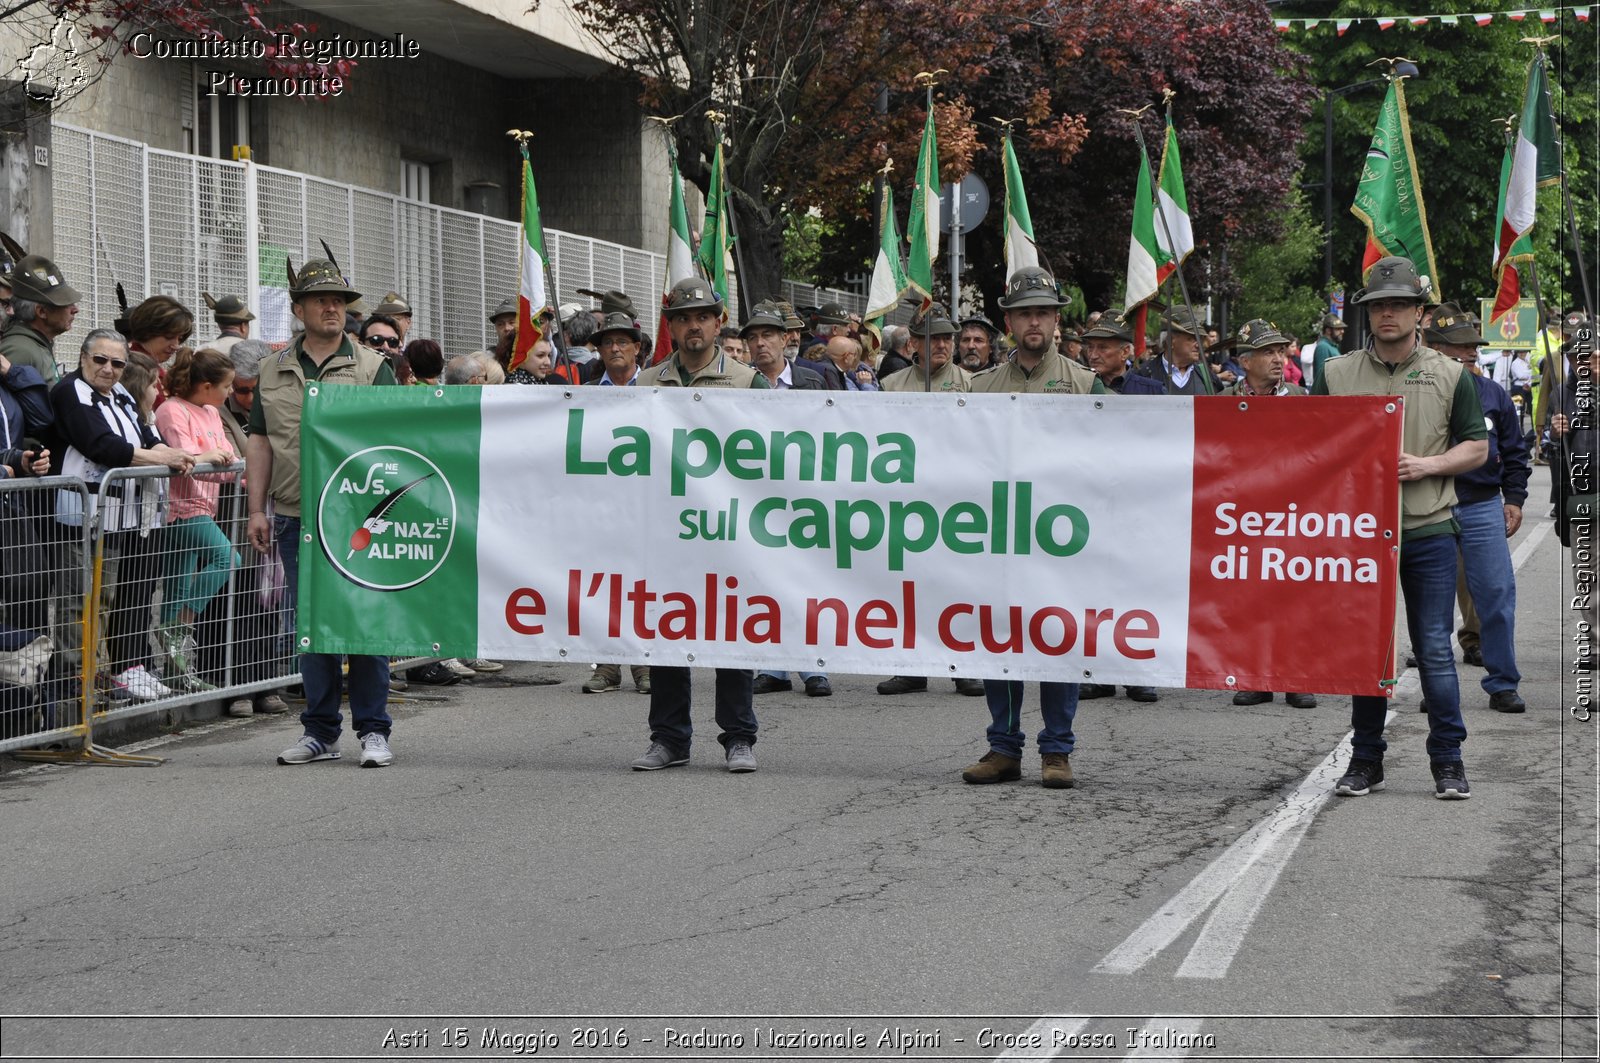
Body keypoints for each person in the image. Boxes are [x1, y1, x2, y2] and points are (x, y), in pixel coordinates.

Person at [1312, 256, 1488, 800]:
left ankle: (1448, 763)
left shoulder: (1451, 373)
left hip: (1428, 529)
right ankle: (1366, 761)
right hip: (1361, 534)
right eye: (1378, 305)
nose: (1387, 314)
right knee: (1368, 651)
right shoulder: (1337, 373)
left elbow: (1477, 447)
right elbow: (1311, 447)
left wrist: (1427, 465)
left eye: (1398, 304)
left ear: (1419, 312)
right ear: (1367, 314)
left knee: (1434, 647)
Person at [246, 256, 399, 768]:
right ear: (298, 309)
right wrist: (256, 510)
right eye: (321, 300)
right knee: (310, 625)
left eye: (340, 300)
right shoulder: (271, 368)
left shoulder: (375, 368)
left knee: (365, 622)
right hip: (293, 514)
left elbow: (394, 442)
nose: (333, 307)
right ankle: (320, 733)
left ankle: (375, 730)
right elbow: (261, 442)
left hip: (356, 518)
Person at [962, 267, 1101, 788]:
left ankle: (1057, 751)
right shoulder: (979, 386)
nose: (1034, 321)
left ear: (1057, 319)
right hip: (999, 535)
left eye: (1043, 311)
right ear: (1009, 322)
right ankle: (1003, 747)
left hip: (1062, 539)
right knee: (1002, 643)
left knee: (1058, 641)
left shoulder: (1086, 383)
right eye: (1024, 313)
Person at [630, 278, 765, 773]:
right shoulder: (646, 383)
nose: (693, 325)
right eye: (683, 318)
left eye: (702, 316)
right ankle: (669, 739)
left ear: (718, 320)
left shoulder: (751, 382)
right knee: (667, 630)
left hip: (729, 530)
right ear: (671, 326)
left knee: (733, 629)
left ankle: (738, 737)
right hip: (665, 530)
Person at [52, 330, 194, 702]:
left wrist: (166, 452)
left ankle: (101, 673)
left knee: (107, 600)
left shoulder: (121, 395)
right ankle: (74, 681)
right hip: (82, 514)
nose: (108, 369)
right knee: (79, 600)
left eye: (117, 363)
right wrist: (164, 458)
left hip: (122, 516)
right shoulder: (71, 391)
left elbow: (147, 436)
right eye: (100, 360)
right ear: (83, 358)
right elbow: (100, 445)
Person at [1423, 303, 1530, 715]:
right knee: (1431, 602)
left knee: (1497, 596)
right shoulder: (1420, 391)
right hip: (1432, 503)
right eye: (1456, 346)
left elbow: (1516, 452)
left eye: (1471, 345)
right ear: (1432, 348)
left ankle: (1503, 683)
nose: (1467, 353)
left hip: (1482, 505)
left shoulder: (1493, 394)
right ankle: (1436, 687)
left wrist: (1515, 499)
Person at [876, 305, 984, 698]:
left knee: (960, 586)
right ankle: (911, 665)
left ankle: (965, 666)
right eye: (932, 338)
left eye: (946, 338)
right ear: (914, 345)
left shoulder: (973, 384)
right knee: (909, 586)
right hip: (908, 499)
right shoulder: (890, 385)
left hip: (958, 502)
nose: (941, 344)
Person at [1216, 319, 1318, 710]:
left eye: (1281, 351)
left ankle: (1296, 676)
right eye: (1268, 352)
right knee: (1249, 595)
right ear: (1244, 361)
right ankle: (1254, 675)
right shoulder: (1222, 401)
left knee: (1294, 592)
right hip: (1241, 515)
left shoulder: (1301, 398)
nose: (1279, 358)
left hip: (1292, 513)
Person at [209, 338, 290, 717]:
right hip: (232, 519)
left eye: (254, 390)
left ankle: (265, 680)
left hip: (271, 518)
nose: (246, 397)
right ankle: (235, 686)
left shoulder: (276, 405)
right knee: (233, 601)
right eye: (239, 389)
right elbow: (235, 458)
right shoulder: (219, 413)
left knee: (267, 601)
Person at [153, 347, 240, 695]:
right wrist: (211, 460)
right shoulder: (172, 410)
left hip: (205, 504)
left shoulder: (210, 411)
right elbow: (186, 457)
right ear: (206, 385)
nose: (230, 392)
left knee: (177, 587)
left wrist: (219, 463)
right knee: (228, 557)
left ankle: (177, 674)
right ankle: (178, 624)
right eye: (228, 386)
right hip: (180, 508)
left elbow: (225, 459)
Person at [1547, 328, 1597, 671]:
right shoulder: (1559, 395)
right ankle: (1592, 644)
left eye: (1591, 358)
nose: (1585, 365)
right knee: (1586, 571)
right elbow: (1552, 453)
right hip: (1580, 494)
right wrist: (1555, 432)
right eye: (1577, 358)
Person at [1, 252, 80, 385]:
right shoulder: (20, 351)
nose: (75, 310)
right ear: (42, 312)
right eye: (65, 304)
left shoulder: (36, 345)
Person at [1124, 307, 1222, 396]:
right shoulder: (1143, 375)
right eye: (1191, 339)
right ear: (1170, 340)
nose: (1198, 345)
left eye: (1199, 339)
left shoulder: (1206, 375)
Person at [1081, 315, 1134, 392]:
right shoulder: (1079, 386)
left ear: (1125, 352)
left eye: (1103, 348)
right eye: (1090, 347)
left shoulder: (1151, 391)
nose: (1093, 356)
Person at [1310, 313, 1346, 388]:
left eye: (1342, 329)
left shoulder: (1331, 346)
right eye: (1338, 329)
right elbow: (1321, 377)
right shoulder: (1323, 347)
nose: (1342, 331)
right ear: (1328, 330)